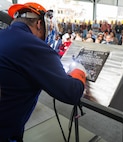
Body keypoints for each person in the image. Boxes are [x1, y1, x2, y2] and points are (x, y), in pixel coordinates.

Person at [0, 2, 86, 142]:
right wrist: (79, 71)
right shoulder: (33, 46)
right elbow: (71, 92)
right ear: (40, 24)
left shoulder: (3, 35)